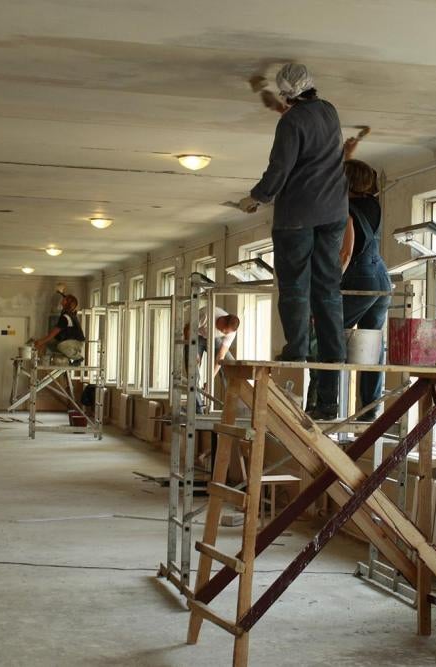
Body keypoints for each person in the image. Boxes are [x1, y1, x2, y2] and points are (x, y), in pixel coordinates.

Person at [238, 63, 348, 366]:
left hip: (298, 213)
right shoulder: (329, 110)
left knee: (295, 284)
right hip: (334, 210)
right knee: (327, 283)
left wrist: (258, 197)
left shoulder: (291, 123)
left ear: (286, 94)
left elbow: (280, 167)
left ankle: (297, 349)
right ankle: (334, 350)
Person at [310, 158, 391, 420]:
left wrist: (327, 290)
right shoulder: (373, 205)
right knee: (371, 343)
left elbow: (345, 253)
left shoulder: (344, 210)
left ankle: (326, 404)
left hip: (359, 277)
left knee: (329, 335)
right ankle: (370, 408)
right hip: (380, 278)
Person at [184, 306, 240, 412]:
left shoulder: (231, 332)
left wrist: (210, 380)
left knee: (230, 365)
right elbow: (188, 329)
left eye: (226, 333)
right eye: (223, 330)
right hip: (196, 335)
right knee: (192, 370)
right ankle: (198, 410)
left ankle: (232, 409)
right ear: (222, 319)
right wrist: (193, 351)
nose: (224, 332)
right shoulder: (206, 315)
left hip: (213, 339)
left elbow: (221, 357)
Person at [34, 293, 86, 364]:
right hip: (69, 341)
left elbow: (52, 334)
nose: (62, 299)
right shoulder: (66, 313)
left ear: (67, 303)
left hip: (77, 342)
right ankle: (63, 358)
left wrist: (41, 341)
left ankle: (78, 358)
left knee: (61, 346)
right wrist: (42, 343)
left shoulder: (66, 317)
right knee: (49, 344)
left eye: (65, 299)